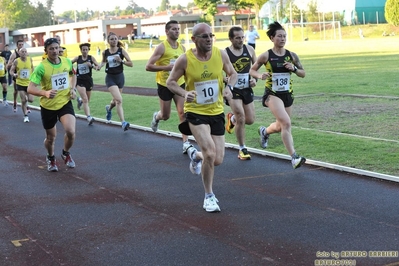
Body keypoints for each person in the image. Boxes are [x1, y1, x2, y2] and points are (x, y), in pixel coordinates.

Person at [166, 23, 237, 213]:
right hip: (195, 112)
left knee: (217, 159)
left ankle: (196, 157)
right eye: (204, 36)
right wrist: (183, 93)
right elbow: (170, 82)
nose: (208, 39)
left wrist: (229, 86)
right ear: (194, 39)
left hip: (216, 111)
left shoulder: (220, 54)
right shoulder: (185, 59)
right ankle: (209, 196)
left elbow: (233, 73)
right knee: (210, 152)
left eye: (210, 35)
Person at [249, 22, 306, 169]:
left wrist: (293, 69)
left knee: (281, 126)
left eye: (284, 36)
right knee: (286, 123)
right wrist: (260, 75)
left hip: (287, 94)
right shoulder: (266, 55)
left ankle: (265, 131)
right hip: (272, 94)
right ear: (272, 38)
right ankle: (294, 157)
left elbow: (302, 73)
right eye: (279, 36)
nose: (283, 39)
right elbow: (252, 70)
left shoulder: (292, 55)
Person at [27, 37, 77, 172]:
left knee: (71, 131)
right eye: (51, 49)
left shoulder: (66, 61)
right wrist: (45, 93)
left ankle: (65, 153)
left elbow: (73, 74)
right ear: (46, 51)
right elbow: (30, 88)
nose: (55, 51)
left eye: (56, 48)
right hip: (48, 106)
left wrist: (73, 89)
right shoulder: (41, 68)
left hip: (64, 102)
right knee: (50, 138)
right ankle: (51, 157)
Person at [145, 20, 191, 153]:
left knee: (183, 113)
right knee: (166, 115)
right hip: (164, 85)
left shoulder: (182, 47)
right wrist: (167, 67)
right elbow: (148, 66)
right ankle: (156, 117)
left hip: (178, 83)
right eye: (174, 29)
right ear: (167, 31)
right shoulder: (162, 47)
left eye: (178, 29)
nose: (177, 31)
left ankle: (186, 143)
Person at [224, 26, 257, 160]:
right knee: (241, 117)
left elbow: (256, 68)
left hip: (246, 88)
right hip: (233, 90)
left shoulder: (250, 49)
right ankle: (242, 149)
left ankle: (232, 119)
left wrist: (254, 79)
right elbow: (217, 72)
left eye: (242, 37)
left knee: (249, 120)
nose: (240, 40)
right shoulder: (225, 53)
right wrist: (224, 79)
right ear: (231, 39)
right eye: (237, 38)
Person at [98, 32, 133, 131]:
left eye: (115, 39)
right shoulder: (105, 52)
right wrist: (99, 66)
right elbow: (103, 61)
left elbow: (131, 64)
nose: (114, 41)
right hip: (110, 78)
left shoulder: (121, 51)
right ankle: (123, 122)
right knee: (119, 100)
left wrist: (121, 61)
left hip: (120, 77)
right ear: (108, 41)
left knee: (115, 100)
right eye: (112, 39)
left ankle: (108, 109)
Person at [71, 43, 100, 125]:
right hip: (79, 81)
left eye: (86, 49)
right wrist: (71, 69)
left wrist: (92, 66)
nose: (84, 51)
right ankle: (89, 117)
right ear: (81, 50)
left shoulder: (91, 58)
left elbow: (98, 68)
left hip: (88, 81)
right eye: (83, 49)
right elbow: (69, 63)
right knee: (85, 99)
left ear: (88, 50)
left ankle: (80, 100)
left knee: (87, 100)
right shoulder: (78, 58)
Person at [9, 47, 34, 122]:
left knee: (31, 100)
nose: (23, 53)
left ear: (27, 53)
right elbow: (11, 71)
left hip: (29, 83)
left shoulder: (30, 59)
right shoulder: (16, 61)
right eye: (22, 52)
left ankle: (26, 104)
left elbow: (32, 68)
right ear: (19, 53)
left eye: (25, 51)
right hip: (20, 83)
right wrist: (14, 75)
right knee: (23, 100)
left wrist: (33, 76)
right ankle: (25, 116)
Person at [7, 39, 24, 112]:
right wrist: (15, 63)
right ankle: (15, 102)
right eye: (19, 45)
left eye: (22, 44)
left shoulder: (25, 53)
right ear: (17, 46)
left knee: (26, 90)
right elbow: (8, 65)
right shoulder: (14, 54)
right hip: (16, 75)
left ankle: (26, 105)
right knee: (16, 90)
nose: (21, 46)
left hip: (24, 75)